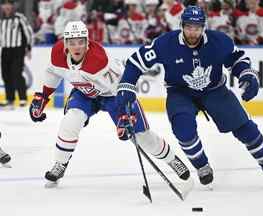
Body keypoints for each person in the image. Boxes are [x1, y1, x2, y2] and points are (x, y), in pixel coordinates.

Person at [115, 5, 263, 187]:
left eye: (197, 28)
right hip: (180, 92)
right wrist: (127, 85)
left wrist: (247, 75)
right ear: (181, 25)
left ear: (204, 27)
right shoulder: (165, 43)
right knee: (183, 129)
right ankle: (201, 165)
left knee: (246, 129)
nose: (193, 32)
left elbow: (237, 59)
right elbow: (136, 62)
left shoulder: (219, 41)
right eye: (189, 27)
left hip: (215, 90)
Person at [29, 21, 190, 187]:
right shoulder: (57, 53)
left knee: (142, 137)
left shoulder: (99, 61)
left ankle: (172, 160)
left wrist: (125, 116)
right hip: (86, 93)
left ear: (87, 42)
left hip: (116, 95)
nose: (76, 47)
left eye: (80, 42)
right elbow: (53, 72)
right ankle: (60, 163)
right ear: (65, 44)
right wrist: (43, 96)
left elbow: (123, 88)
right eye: (71, 42)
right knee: (72, 119)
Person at [0, 0, 33, 109]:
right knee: (6, 74)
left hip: (18, 49)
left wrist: (28, 47)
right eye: (4, 4)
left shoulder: (19, 17)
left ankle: (23, 98)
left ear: (13, 5)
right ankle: (10, 99)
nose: (7, 6)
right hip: (5, 49)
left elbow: (28, 31)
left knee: (16, 73)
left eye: (9, 4)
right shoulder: (1, 19)